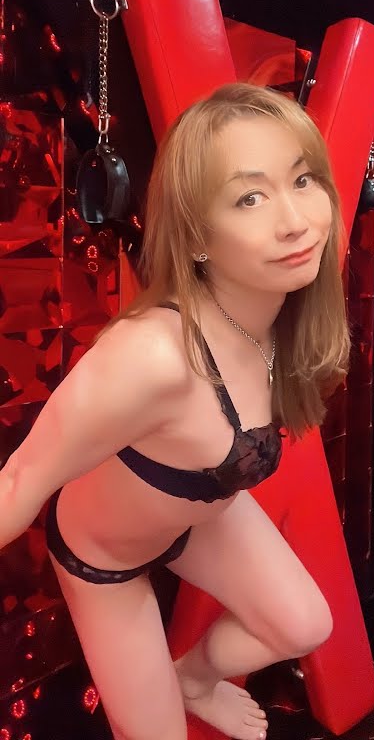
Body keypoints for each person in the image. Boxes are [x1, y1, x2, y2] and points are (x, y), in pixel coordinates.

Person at [0, 83, 350, 740]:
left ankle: (194, 678)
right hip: (105, 560)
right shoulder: (154, 357)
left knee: (305, 626)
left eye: (303, 180)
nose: (295, 221)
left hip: (200, 519)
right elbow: (18, 481)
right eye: (249, 198)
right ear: (195, 237)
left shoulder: (286, 320)